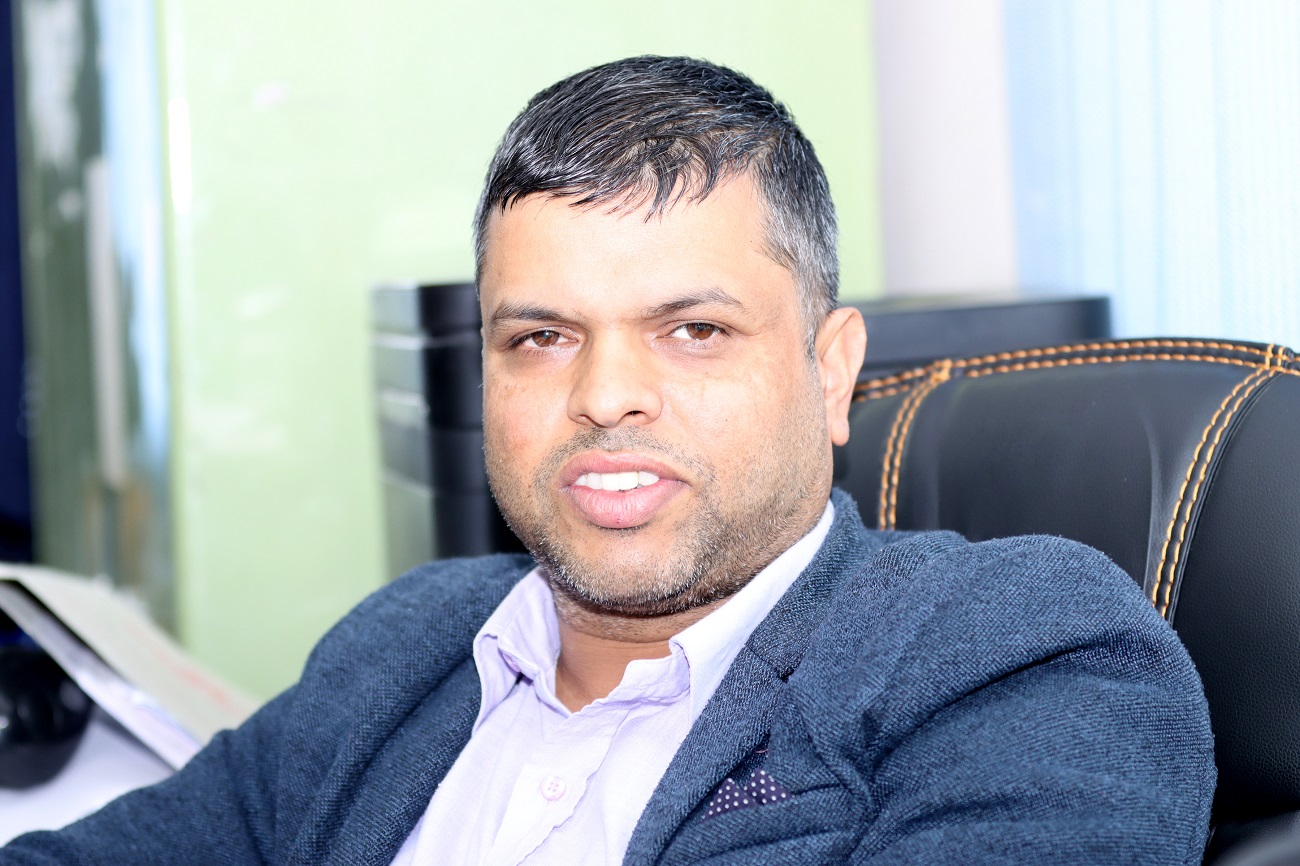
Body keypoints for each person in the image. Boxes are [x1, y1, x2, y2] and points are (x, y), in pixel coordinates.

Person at [2, 56, 1213, 865]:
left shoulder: (1011, 647)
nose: (602, 394)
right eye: (539, 337)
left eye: (694, 330)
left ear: (830, 367)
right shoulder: (404, 646)